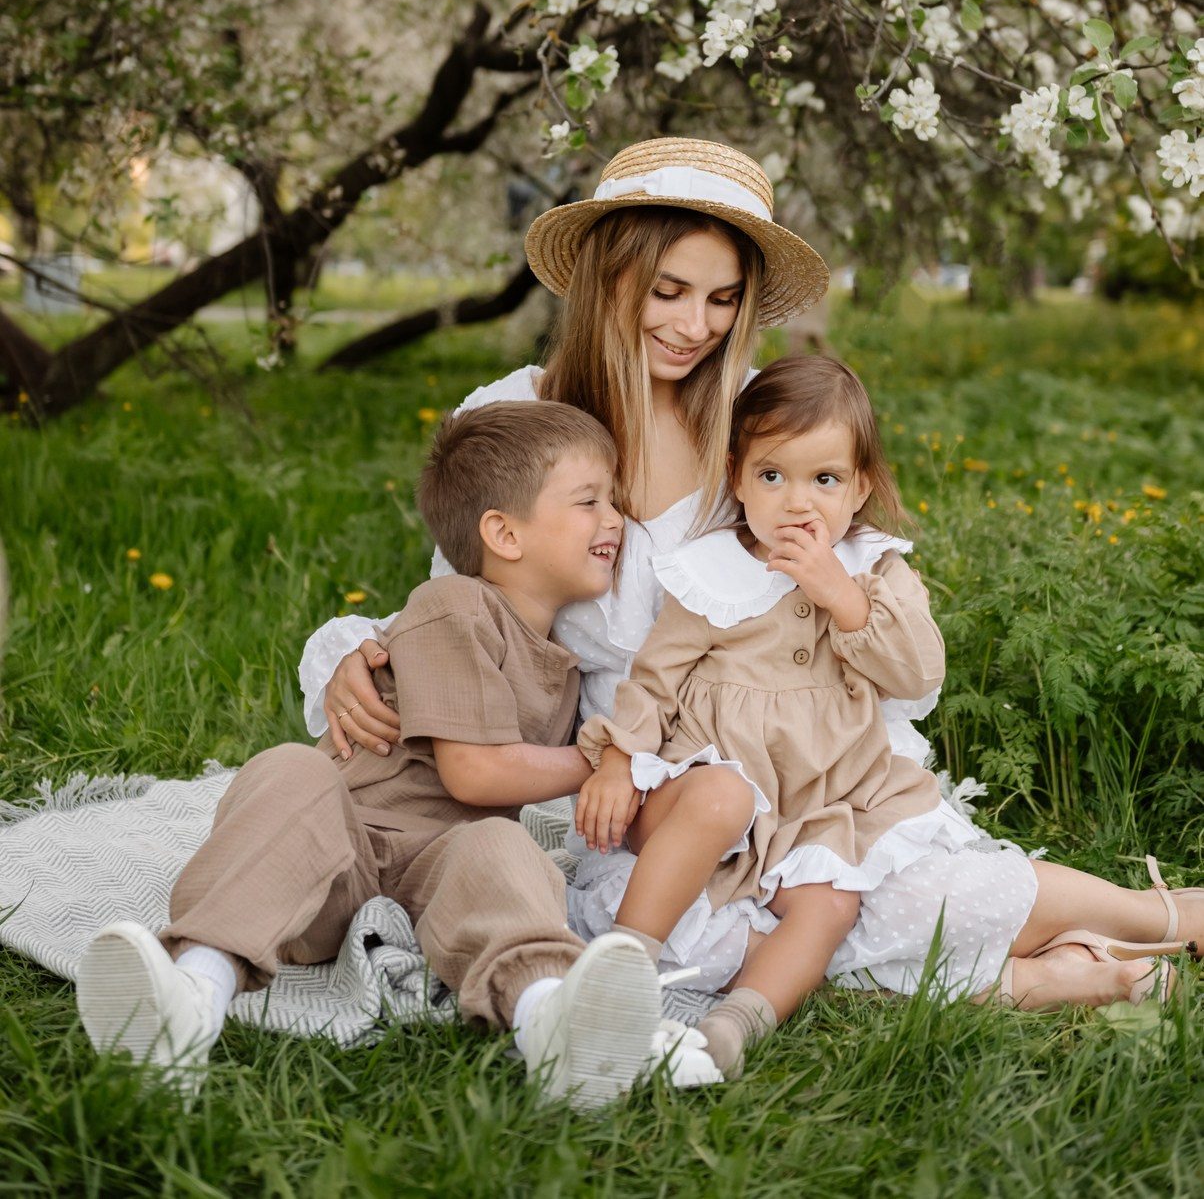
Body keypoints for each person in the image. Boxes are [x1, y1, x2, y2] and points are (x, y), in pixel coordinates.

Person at [300, 136, 1203, 1015]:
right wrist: (352, 654)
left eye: (724, 299)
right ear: (608, 276)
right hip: (638, 781)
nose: (695, 326)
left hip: (795, 758)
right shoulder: (518, 418)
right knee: (712, 930)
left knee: (892, 896)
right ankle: (1057, 972)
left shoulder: (760, 423)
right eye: (669, 291)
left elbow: (853, 578)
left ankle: (1160, 918)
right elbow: (453, 604)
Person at [572, 357, 1190, 1076]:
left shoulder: (875, 569)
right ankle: (630, 975)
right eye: (772, 476)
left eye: (825, 480)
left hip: (840, 804)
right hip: (734, 805)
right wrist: (619, 759)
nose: (797, 503)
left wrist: (846, 598)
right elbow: (654, 680)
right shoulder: (708, 572)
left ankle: (736, 1023)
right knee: (769, 868)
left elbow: (919, 674)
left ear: (860, 486)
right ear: (737, 476)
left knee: (830, 909)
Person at [76, 402, 696, 1109]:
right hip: (335, 852)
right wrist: (606, 765)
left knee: (503, 846)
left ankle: (553, 1021)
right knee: (290, 769)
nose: (615, 519)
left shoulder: (561, 662)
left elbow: (487, 804)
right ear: (503, 533)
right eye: (590, 502)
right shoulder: (454, 606)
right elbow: (475, 771)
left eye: (613, 501)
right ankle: (193, 993)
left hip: (442, 867)